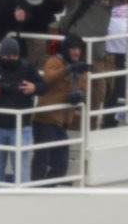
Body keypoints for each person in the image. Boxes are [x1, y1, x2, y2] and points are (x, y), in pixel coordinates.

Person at [54, 0, 128, 112]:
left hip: (96, 55)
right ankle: (73, 123)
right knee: (69, 90)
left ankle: (91, 125)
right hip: (73, 53)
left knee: (97, 92)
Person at [0, 37, 45, 184]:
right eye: (7, 56)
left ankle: (22, 201)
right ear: (0, 55)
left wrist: (33, 88)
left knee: (21, 168)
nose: (11, 58)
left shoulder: (28, 67)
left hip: (22, 127)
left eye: (14, 56)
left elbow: (43, 87)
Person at [32, 34, 89, 183]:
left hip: (62, 124)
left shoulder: (81, 69)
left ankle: (42, 192)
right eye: (73, 49)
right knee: (41, 161)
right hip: (46, 120)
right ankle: (33, 193)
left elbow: (84, 90)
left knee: (61, 167)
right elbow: (48, 78)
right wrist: (68, 69)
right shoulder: (54, 62)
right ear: (66, 50)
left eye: (79, 49)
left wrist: (79, 97)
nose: (77, 52)